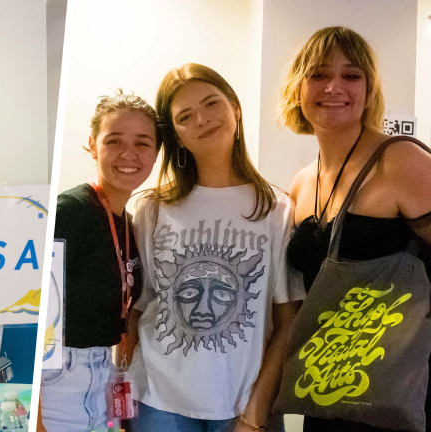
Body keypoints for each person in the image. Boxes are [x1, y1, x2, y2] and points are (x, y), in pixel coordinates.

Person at [127, 64, 304, 432]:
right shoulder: (152, 209)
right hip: (157, 401)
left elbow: (288, 324)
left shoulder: (277, 209)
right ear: (174, 135)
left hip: (239, 406)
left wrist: (256, 413)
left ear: (235, 108)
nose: (203, 120)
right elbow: (135, 308)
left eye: (211, 104)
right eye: (185, 117)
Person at [280, 26, 431, 432]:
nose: (334, 87)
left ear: (369, 89)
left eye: (351, 75)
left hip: (389, 390)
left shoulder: (400, 161)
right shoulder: (301, 181)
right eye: (318, 74)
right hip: (319, 385)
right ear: (299, 87)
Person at [38, 91, 160, 431]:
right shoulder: (70, 212)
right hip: (56, 380)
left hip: (100, 371)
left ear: (156, 153)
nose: (128, 154)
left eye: (143, 143)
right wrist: (35, 416)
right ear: (92, 145)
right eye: (114, 141)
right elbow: (33, 312)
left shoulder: (128, 222)